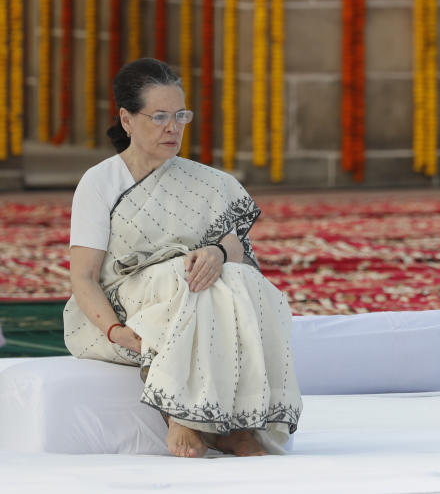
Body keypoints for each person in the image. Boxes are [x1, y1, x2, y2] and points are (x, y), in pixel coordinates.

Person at [63, 58, 302, 458]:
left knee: (243, 281)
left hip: (190, 287)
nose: (172, 127)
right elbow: (84, 277)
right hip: (123, 309)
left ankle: (239, 424)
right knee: (185, 276)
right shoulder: (100, 182)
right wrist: (116, 332)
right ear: (127, 119)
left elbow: (236, 247)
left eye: (180, 115)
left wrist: (217, 251)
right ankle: (183, 417)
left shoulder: (207, 181)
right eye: (158, 116)